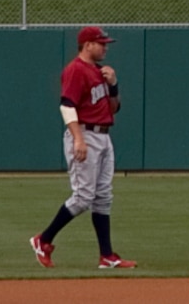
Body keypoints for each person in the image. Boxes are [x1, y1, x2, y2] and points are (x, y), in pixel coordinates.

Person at [30, 26, 133, 270]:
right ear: (87, 45)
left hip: (104, 136)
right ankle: (43, 240)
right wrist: (78, 139)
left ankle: (107, 256)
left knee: (103, 198)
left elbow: (114, 108)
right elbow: (67, 106)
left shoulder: (99, 71)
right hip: (85, 133)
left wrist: (114, 85)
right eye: (101, 43)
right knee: (83, 197)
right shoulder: (75, 70)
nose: (105, 47)